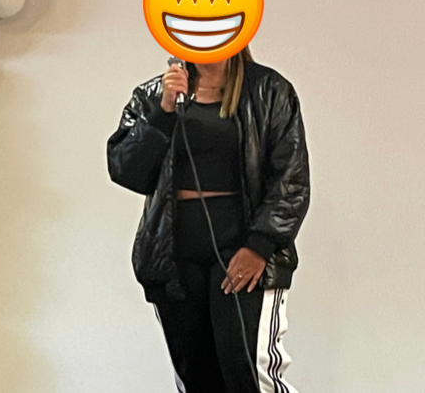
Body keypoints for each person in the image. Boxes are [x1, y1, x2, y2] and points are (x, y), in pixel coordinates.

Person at [106, 45, 310, 393]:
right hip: (174, 258)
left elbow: (291, 178)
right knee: (196, 379)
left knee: (250, 375)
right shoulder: (154, 95)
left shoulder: (270, 91)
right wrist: (163, 111)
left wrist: (260, 246)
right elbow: (127, 170)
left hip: (243, 253)